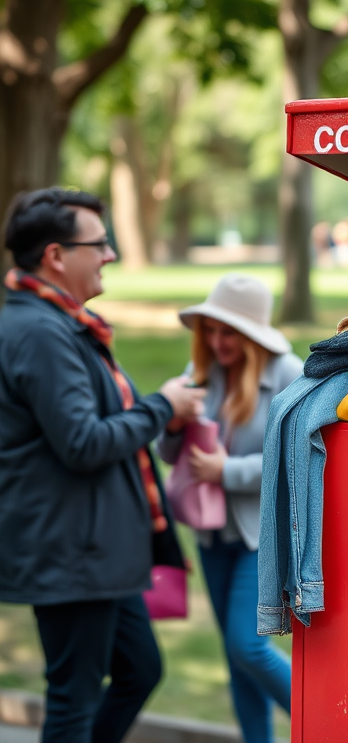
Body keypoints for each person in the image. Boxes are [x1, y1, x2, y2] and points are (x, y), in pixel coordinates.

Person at [0, 188, 206, 742]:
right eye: (99, 244)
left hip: (96, 549)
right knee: (72, 699)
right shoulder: (41, 332)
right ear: (56, 257)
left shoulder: (64, 323)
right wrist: (163, 407)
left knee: (140, 670)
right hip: (70, 551)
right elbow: (83, 441)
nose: (111, 254)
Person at [156, 273, 302, 743]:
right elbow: (165, 451)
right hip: (211, 533)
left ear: (253, 335)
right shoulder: (200, 370)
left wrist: (228, 471)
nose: (217, 342)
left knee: (248, 646)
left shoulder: (287, 374)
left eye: (229, 332)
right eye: (210, 330)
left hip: (260, 533)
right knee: (235, 658)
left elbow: (297, 459)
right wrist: (173, 423)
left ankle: (322, 725)